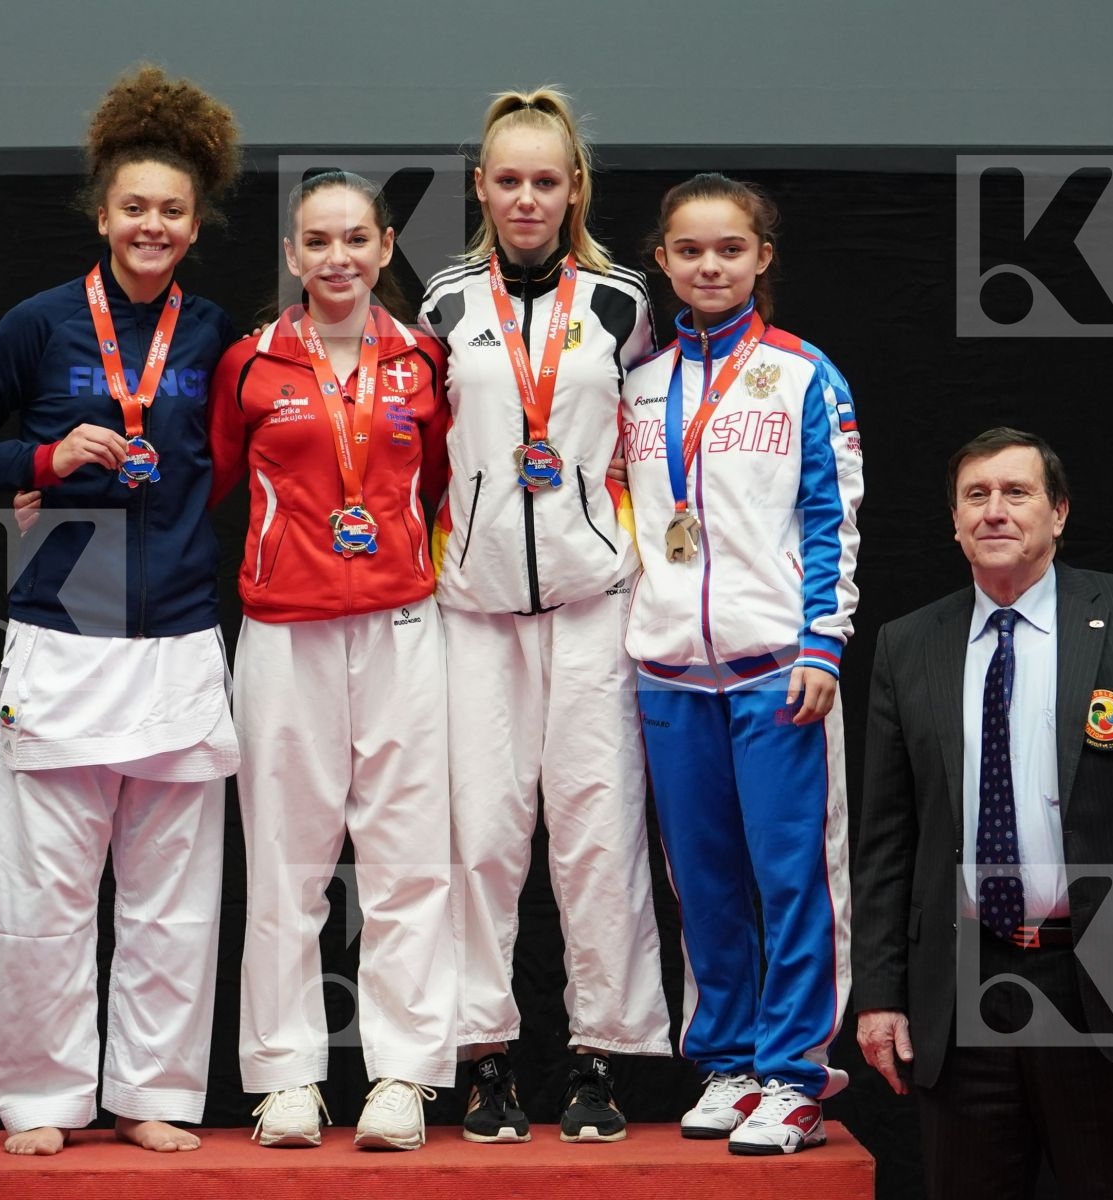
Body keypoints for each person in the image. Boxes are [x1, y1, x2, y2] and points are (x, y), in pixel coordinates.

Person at [0, 65, 241, 1156]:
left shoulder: (215, 337)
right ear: (103, 215)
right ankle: (46, 1100)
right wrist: (42, 457)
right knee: (46, 893)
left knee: (172, 901)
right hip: (61, 635)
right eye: (134, 207)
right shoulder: (42, 325)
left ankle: (152, 1093)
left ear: (196, 228)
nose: (152, 225)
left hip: (182, 638)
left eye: (172, 212)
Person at [854, 427, 1113, 1198]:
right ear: (954, 522)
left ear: (1058, 514)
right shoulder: (908, 644)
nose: (995, 511)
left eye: (1016, 493)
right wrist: (880, 995)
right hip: (960, 981)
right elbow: (887, 841)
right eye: (976, 496)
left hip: (1098, 960)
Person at [419, 87, 672, 1144]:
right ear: (480, 187)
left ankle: (596, 1059)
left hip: (590, 604)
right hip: (473, 610)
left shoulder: (624, 301)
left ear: (576, 191)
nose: (527, 197)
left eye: (547, 180)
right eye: (508, 179)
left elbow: (656, 449)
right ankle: (483, 1061)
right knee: (479, 841)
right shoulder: (439, 302)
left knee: (597, 839)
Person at [208, 170, 454, 1151]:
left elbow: (436, 484)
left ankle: (403, 1074)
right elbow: (207, 481)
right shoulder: (249, 363)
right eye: (318, 241)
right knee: (283, 858)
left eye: (356, 239)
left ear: (387, 246)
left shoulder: (423, 361)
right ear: (293, 254)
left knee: (406, 857)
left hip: (399, 626)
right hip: (284, 630)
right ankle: (286, 1078)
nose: (338, 258)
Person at [619, 173, 862, 1155]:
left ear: (762, 258)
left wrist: (825, 642)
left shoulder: (805, 375)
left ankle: (795, 1073)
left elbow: (831, 517)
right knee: (705, 880)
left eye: (729, 249)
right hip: (671, 670)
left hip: (776, 668)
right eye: (689, 250)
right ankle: (726, 1061)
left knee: (793, 873)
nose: (709, 265)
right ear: (664, 260)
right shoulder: (636, 383)